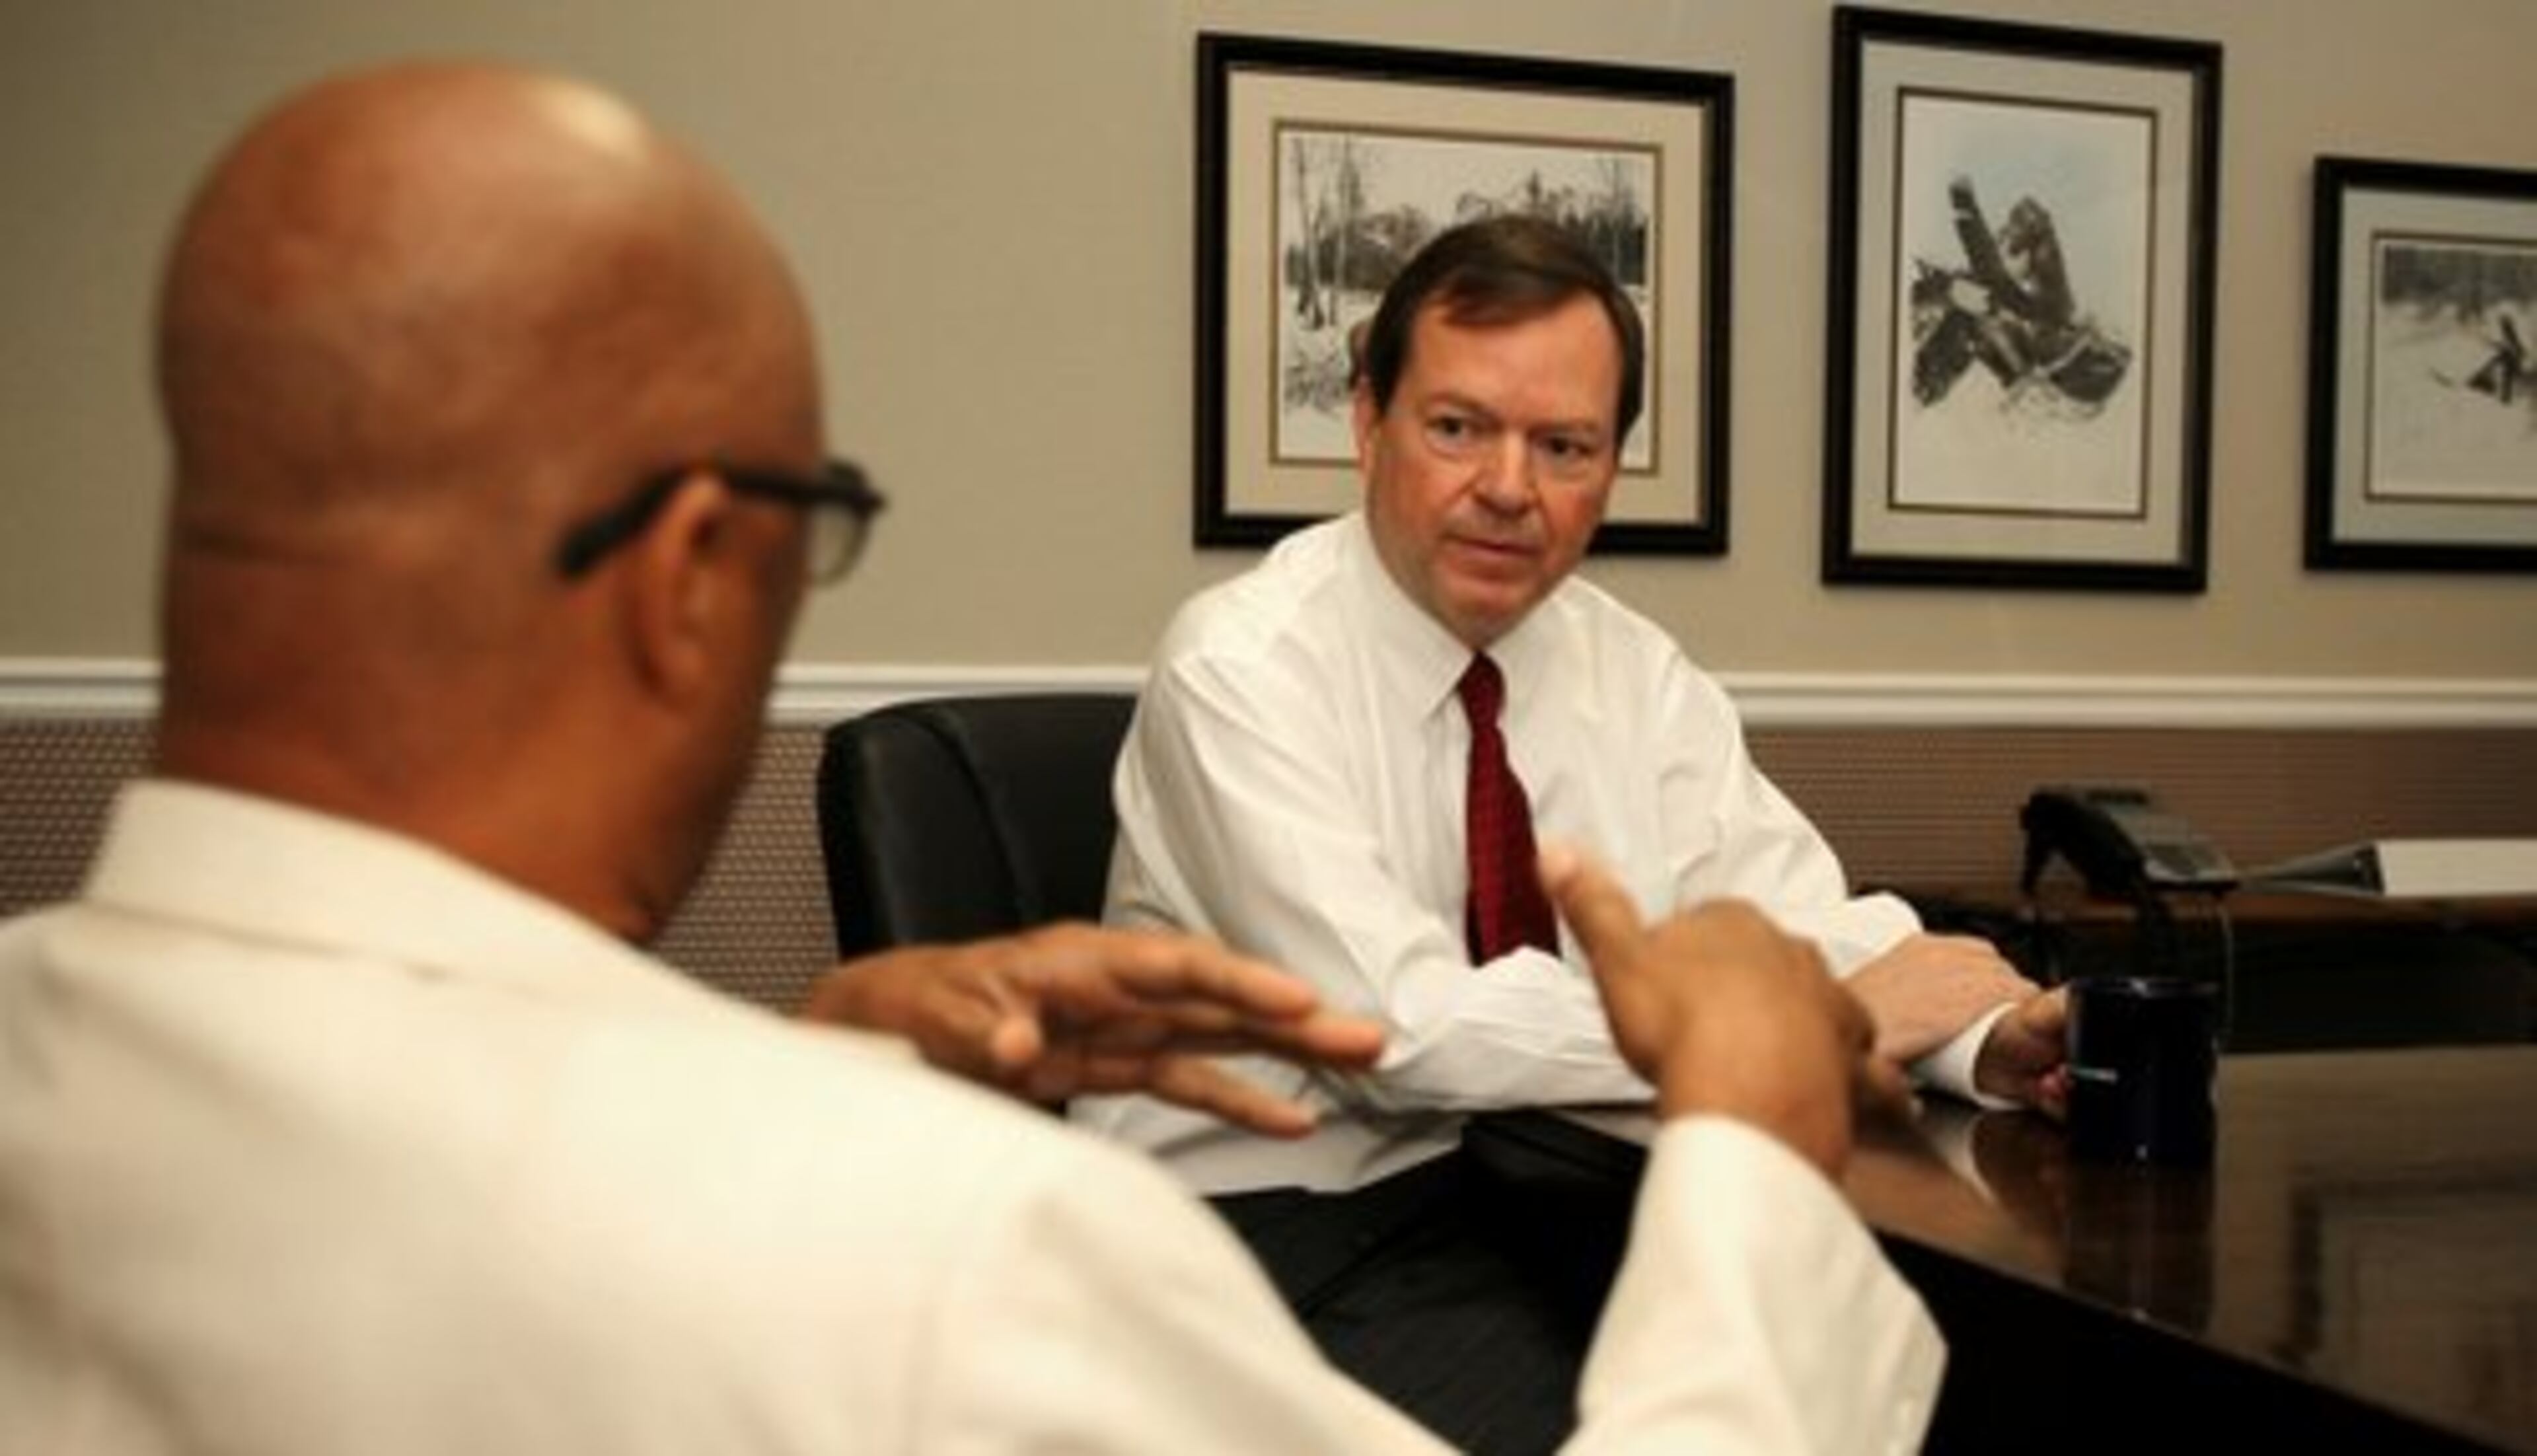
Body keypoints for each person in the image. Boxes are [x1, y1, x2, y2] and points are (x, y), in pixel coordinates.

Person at [0, 62, 1944, 1453]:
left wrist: (807, 1063)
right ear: (698, 577)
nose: (1511, 485)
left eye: (1567, 445)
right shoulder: (956, 1263)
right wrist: (1758, 1150)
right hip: (1300, 1216)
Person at [1080, 213, 2061, 1447]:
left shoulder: (1632, 671)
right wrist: (1832, 1009)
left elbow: (1787, 912)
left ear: (1610, 470)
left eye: (1564, 445)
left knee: (1935, 1388)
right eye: (1457, 428)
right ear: (1367, 423)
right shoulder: (1239, 667)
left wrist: (1978, 1033)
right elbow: (1390, 1031)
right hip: (1267, 1221)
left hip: (1561, 1189)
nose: (1508, 487)